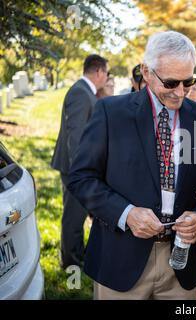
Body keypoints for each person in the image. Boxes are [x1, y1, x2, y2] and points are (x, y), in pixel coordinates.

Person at [67, 31, 196, 299]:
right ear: (146, 72)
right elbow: (81, 177)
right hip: (120, 260)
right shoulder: (110, 112)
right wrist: (127, 214)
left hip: (183, 266)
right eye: (171, 82)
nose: (180, 92)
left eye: (188, 81)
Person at [51, 54, 108, 269]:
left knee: (79, 213)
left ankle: (77, 253)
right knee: (74, 217)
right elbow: (76, 138)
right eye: (107, 73)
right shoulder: (81, 94)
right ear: (99, 72)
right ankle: (70, 262)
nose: (106, 78)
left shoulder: (86, 92)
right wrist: (81, 172)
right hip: (74, 168)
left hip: (79, 167)